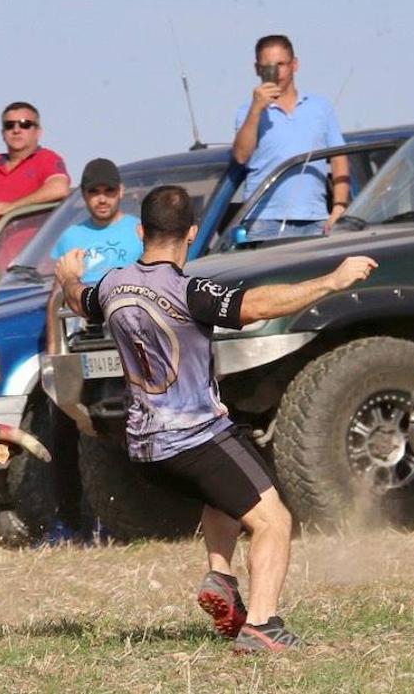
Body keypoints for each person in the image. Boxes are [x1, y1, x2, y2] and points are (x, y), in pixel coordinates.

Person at [55, 184, 378, 653]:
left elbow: (76, 297)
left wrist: (67, 275)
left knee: (226, 489)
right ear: (191, 234)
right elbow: (259, 306)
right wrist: (332, 280)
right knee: (274, 522)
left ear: (141, 231)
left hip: (144, 447)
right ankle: (263, 627)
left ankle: (222, 578)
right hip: (194, 439)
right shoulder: (191, 291)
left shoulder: (110, 285)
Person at [231, 35, 349, 239]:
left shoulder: (320, 107)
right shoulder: (248, 112)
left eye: (281, 64)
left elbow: (339, 158)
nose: (276, 73)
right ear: (257, 69)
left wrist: (339, 206)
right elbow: (241, 156)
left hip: (316, 219)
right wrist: (256, 109)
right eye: (267, 66)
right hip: (263, 220)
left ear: (294, 65)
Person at [51, 158, 144, 282]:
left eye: (109, 191)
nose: (102, 200)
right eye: (94, 192)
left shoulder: (141, 232)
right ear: (83, 194)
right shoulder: (70, 236)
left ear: (121, 190)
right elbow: (57, 289)